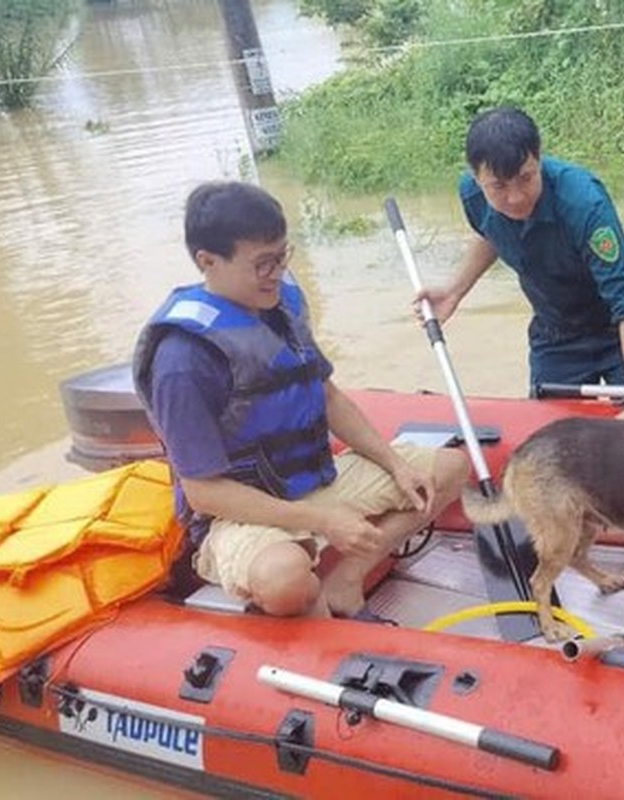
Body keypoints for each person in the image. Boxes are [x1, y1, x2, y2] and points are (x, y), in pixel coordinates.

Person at [134, 180, 469, 619]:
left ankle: (345, 581)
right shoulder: (182, 361)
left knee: (447, 469)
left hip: (317, 481)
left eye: (282, 257)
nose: (276, 273)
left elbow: (327, 396)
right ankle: (306, 590)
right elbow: (203, 493)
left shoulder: (284, 305)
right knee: (284, 580)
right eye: (262, 264)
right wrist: (323, 522)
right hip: (242, 514)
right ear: (208, 261)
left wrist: (396, 464)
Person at [416, 105, 624, 423]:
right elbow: (491, 233)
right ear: (476, 178)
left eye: (525, 178)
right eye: (499, 187)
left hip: (617, 330)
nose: (516, 197)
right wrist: (454, 292)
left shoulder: (584, 203)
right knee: (551, 436)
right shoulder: (473, 197)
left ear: (539, 158)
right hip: (555, 334)